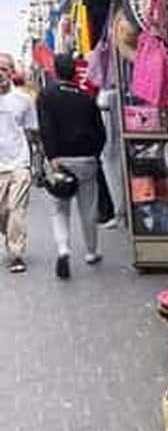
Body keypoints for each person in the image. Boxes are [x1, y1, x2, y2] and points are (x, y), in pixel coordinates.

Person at [37, 53, 107, 279]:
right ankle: (91, 251)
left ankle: (63, 249)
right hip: (86, 158)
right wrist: (94, 154)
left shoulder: (46, 96)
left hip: (60, 160)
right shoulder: (86, 98)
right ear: (75, 71)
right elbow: (100, 131)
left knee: (59, 209)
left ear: (55, 71)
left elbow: (45, 127)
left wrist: (52, 155)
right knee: (88, 207)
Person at [0, 52, 39, 273]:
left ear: (11, 72)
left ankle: (16, 254)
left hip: (19, 164)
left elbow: (32, 131)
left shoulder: (23, 100)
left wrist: (43, 159)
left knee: (16, 209)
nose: (0, 73)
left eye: (4, 69)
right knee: (3, 212)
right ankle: (10, 233)